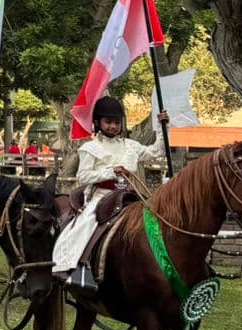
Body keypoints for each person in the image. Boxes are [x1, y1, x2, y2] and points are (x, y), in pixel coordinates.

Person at [52, 95, 167, 289]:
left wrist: (163, 127)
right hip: (102, 196)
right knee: (86, 223)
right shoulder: (90, 148)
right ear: (98, 123)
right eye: (108, 122)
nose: (113, 126)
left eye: (116, 122)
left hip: (130, 195)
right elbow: (84, 176)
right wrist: (110, 172)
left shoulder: (131, 146)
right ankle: (72, 266)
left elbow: (156, 152)